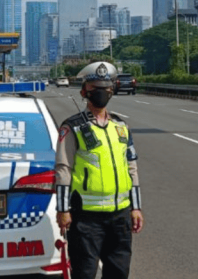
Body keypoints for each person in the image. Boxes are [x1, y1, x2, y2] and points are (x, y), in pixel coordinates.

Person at [55, 61, 144, 279]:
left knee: (119, 272)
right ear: (84, 91)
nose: (101, 92)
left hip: (120, 216)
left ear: (112, 90)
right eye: (95, 87)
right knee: (84, 273)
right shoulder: (72, 127)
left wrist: (136, 207)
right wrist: (63, 210)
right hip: (86, 218)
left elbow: (131, 167)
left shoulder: (120, 127)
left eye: (105, 87)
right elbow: (63, 169)